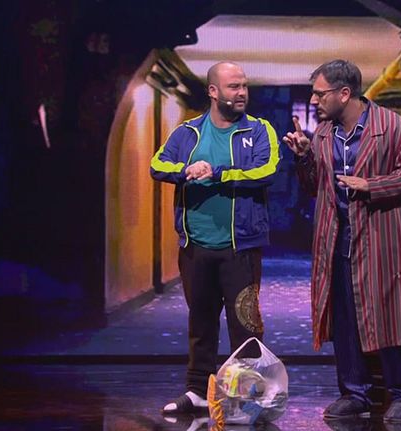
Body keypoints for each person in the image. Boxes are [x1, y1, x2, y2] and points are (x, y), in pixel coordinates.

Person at [283, 59, 401, 424]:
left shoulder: (390, 126)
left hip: (381, 238)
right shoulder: (323, 134)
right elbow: (314, 187)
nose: (314, 101)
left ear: (344, 93)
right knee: (345, 319)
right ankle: (354, 393)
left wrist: (372, 185)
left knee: (390, 314)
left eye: (320, 94)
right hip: (338, 238)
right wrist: (304, 157)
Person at [150, 61, 280, 414]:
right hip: (196, 247)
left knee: (245, 326)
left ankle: (247, 397)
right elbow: (157, 165)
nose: (242, 93)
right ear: (213, 91)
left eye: (244, 86)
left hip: (241, 247)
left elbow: (266, 170)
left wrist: (217, 173)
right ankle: (196, 392)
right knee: (201, 322)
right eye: (234, 86)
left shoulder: (259, 130)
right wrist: (186, 170)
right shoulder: (187, 133)